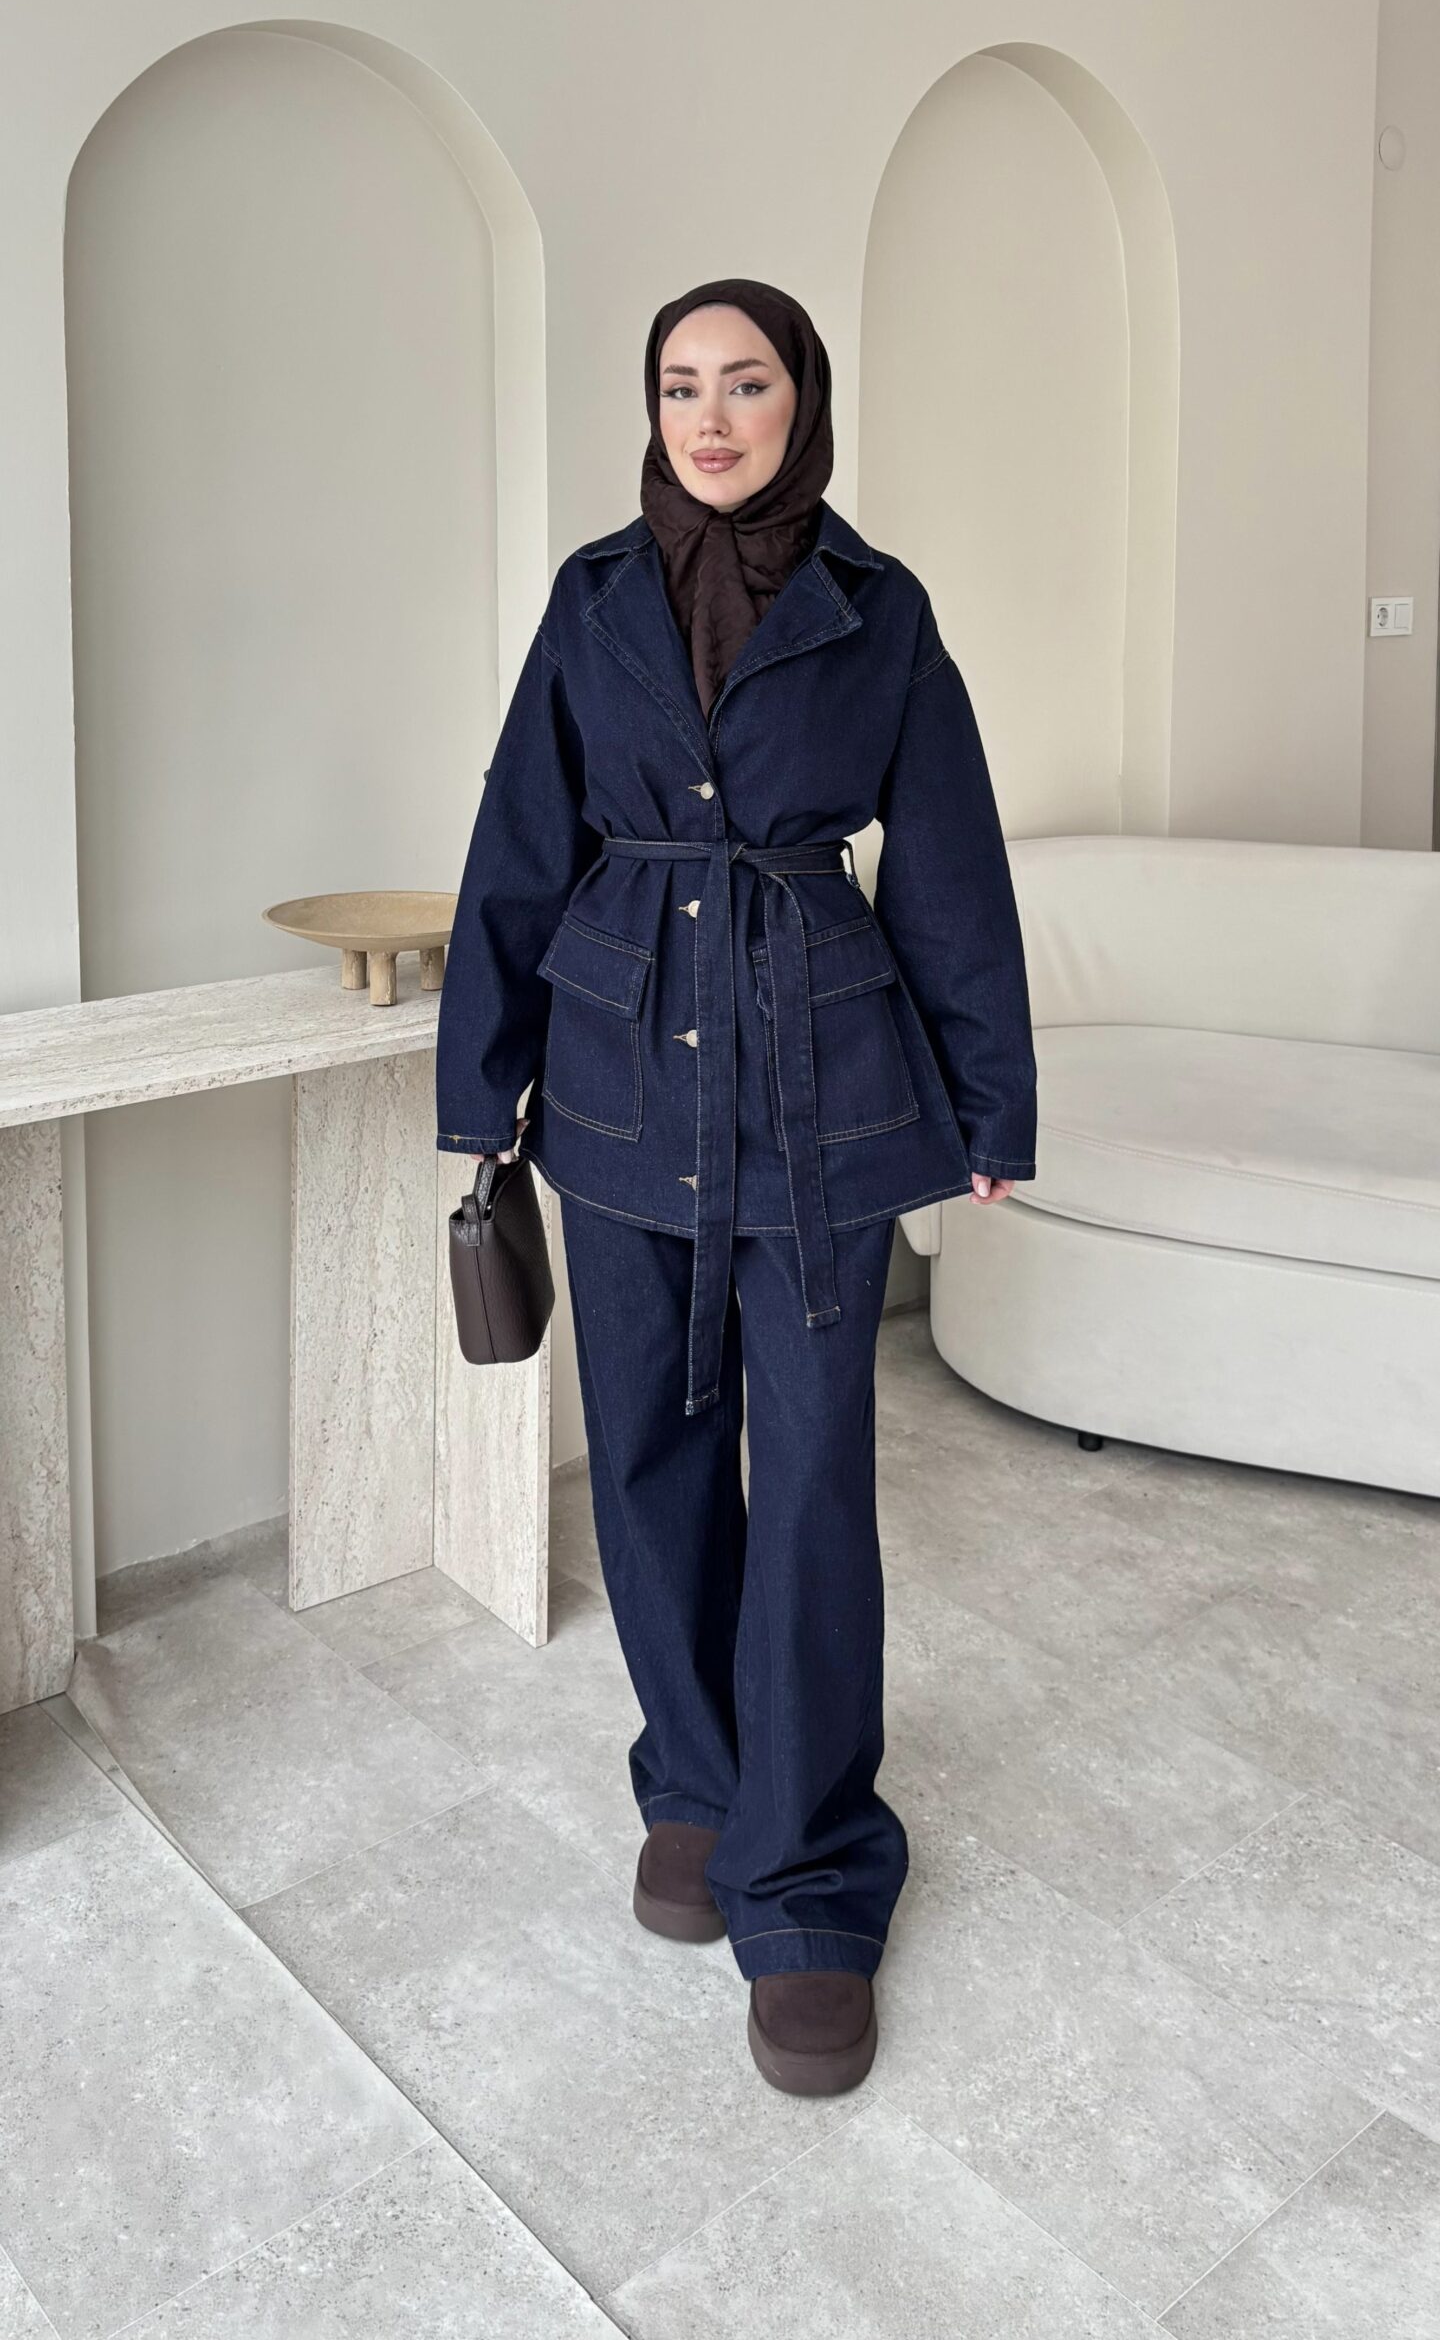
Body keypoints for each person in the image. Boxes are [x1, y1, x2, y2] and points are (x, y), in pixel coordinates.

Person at [435, 277, 1038, 2096]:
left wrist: (989, 1101)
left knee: (816, 1481)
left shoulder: (880, 608)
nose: (709, 418)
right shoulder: (591, 600)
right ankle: (695, 1782)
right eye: (680, 385)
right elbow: (519, 840)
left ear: (803, 401)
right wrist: (481, 1086)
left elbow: (949, 856)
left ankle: (813, 1873)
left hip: (820, 1082)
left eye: (746, 383)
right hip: (616, 1068)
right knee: (646, 1452)